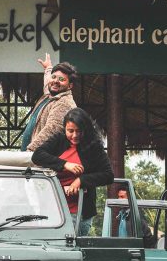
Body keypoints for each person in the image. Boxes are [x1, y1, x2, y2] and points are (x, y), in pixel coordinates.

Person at [31, 108, 114, 237]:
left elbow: (108, 175)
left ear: (86, 130)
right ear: (64, 129)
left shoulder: (94, 147)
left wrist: (81, 181)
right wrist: (64, 164)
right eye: (70, 131)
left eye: (79, 131)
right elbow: (37, 156)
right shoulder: (58, 140)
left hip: (80, 211)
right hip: (54, 209)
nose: (74, 135)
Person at [21, 55, 78, 152]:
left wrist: (30, 151)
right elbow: (48, 83)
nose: (56, 81)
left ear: (70, 86)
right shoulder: (51, 95)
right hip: (32, 157)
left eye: (61, 79)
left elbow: (51, 131)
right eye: (54, 77)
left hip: (39, 160)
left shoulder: (64, 103)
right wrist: (48, 68)